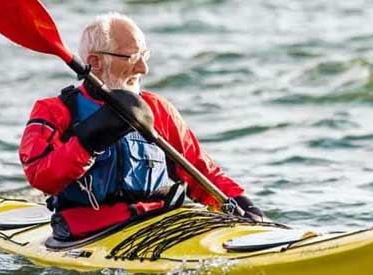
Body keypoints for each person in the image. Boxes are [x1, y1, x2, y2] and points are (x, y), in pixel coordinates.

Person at [18, 12, 264, 240]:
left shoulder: (156, 108)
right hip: (88, 231)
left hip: (161, 223)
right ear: (95, 62)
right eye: (132, 57)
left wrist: (241, 203)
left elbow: (200, 171)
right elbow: (40, 177)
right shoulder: (54, 110)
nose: (143, 68)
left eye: (144, 55)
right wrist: (88, 141)